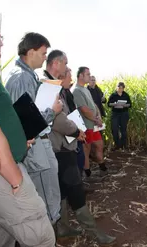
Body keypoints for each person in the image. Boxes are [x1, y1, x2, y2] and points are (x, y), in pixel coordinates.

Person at [0, 18, 55, 246]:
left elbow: (6, 120)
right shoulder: (15, 77)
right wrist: (15, 180)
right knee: (39, 234)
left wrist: (17, 139)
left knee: (1, 236)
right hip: (1, 174)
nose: (2, 44)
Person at [52, 66, 116, 245]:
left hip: (67, 144)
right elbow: (60, 119)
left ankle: (63, 228)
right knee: (75, 191)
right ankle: (94, 233)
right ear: (61, 76)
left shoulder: (66, 93)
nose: (70, 77)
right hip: (62, 148)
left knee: (64, 191)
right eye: (69, 74)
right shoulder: (57, 93)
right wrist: (76, 131)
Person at [5, 32, 63, 225]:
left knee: (48, 191)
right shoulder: (21, 78)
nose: (46, 57)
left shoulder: (28, 76)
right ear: (30, 52)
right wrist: (52, 111)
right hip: (34, 145)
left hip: (40, 143)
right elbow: (25, 121)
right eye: (43, 53)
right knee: (44, 196)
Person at [72, 67, 107, 177]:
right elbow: (84, 109)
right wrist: (96, 120)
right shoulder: (76, 90)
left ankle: (102, 166)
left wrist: (99, 118)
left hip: (95, 124)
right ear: (81, 76)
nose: (89, 76)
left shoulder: (85, 89)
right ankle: (87, 172)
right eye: (87, 74)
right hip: (86, 126)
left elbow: (94, 105)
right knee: (86, 149)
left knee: (99, 144)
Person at [107, 82, 132, 150]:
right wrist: (114, 104)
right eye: (119, 88)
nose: (120, 89)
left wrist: (124, 105)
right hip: (115, 114)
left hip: (124, 113)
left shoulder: (126, 95)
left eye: (121, 88)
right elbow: (108, 104)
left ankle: (123, 145)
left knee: (123, 130)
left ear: (123, 88)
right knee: (114, 129)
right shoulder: (113, 95)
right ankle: (117, 145)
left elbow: (130, 104)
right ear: (116, 87)